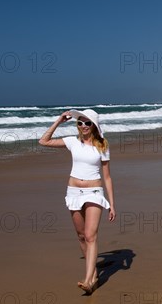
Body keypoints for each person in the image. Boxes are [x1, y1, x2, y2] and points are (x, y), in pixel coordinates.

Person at [39, 109, 116, 294]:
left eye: (87, 123)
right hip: (73, 192)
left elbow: (107, 177)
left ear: (94, 126)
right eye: (80, 123)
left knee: (91, 236)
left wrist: (112, 204)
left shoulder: (102, 146)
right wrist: (59, 120)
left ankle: (89, 280)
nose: (83, 126)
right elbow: (43, 141)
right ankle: (95, 274)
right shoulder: (73, 142)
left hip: (94, 192)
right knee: (81, 236)